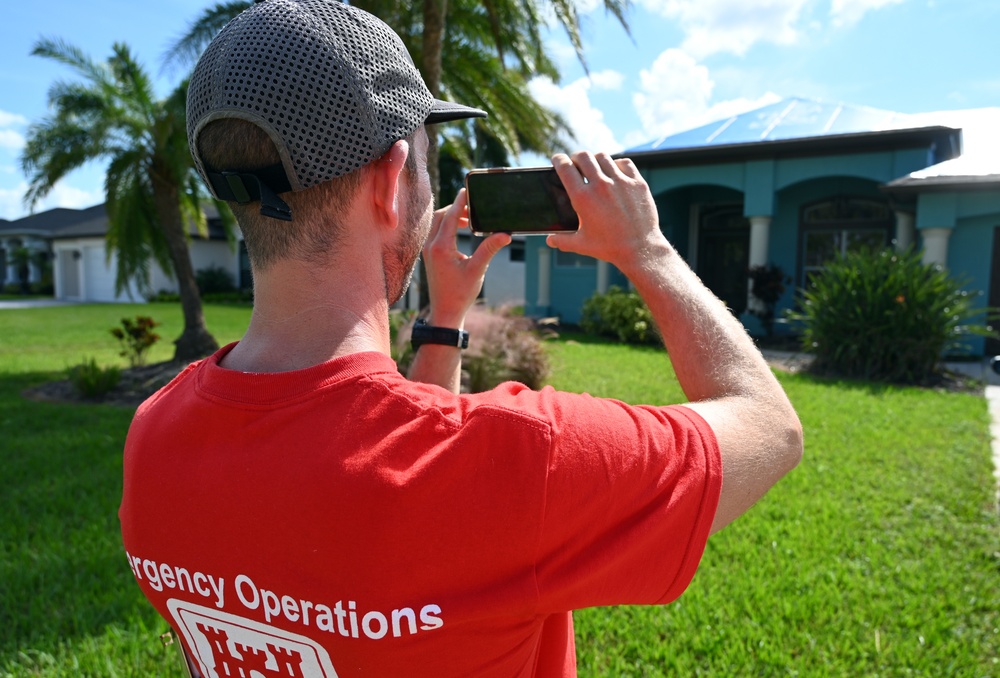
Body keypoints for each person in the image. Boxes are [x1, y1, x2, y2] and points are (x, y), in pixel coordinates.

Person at [119, 1, 803, 676]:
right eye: (425, 160)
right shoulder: (520, 458)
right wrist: (648, 251)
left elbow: (379, 469)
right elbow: (770, 428)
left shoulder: (155, 438)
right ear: (391, 182)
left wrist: (444, 319)